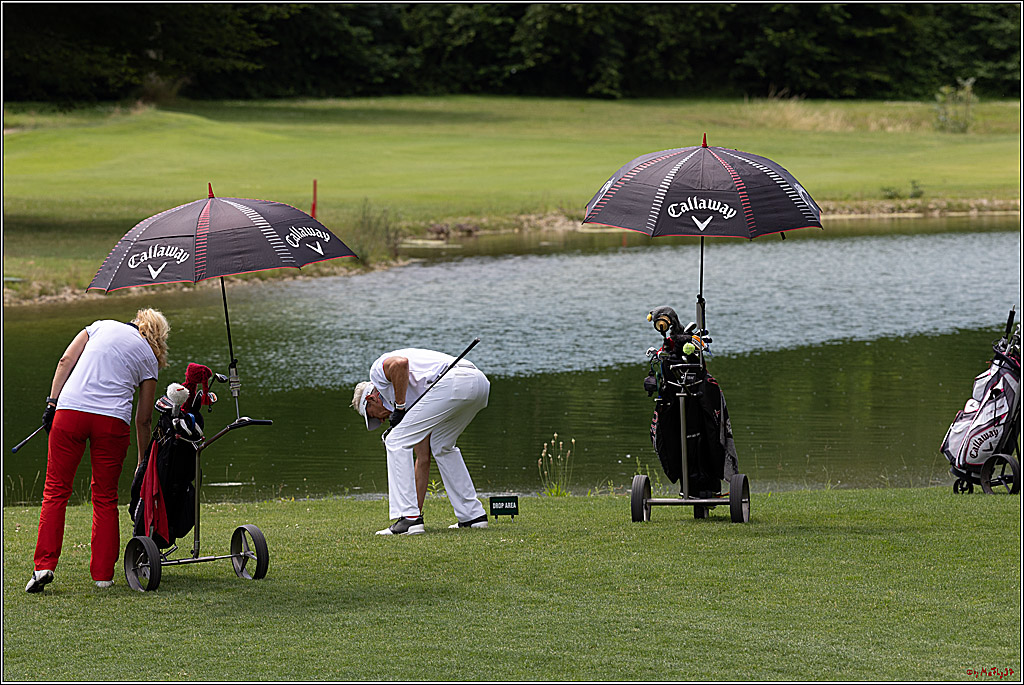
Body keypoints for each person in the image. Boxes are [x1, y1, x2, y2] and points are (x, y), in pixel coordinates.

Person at [26, 308, 169, 593]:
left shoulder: (100, 326)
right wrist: (142, 460)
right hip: (112, 422)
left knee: (55, 491)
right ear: (159, 337)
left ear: (137, 321)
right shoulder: (149, 358)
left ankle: (43, 567)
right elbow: (143, 419)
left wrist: (52, 403)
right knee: (105, 497)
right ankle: (103, 576)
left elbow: (65, 360)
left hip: (70, 411)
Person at [352, 348, 490, 535]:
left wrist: (399, 408)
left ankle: (408, 519)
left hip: (455, 381)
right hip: (479, 384)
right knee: (441, 445)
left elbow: (400, 364)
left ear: (371, 399)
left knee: (394, 440)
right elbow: (423, 458)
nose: (381, 420)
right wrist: (417, 508)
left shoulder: (377, 373)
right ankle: (472, 516)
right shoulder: (410, 401)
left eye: (373, 416)